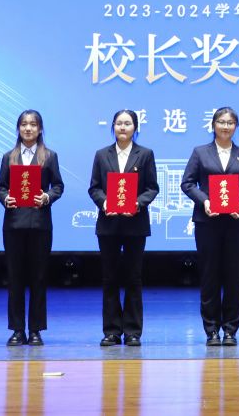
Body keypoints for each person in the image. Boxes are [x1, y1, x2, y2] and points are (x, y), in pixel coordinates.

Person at [180, 107, 239, 346]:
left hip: (237, 223)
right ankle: (212, 330)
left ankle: (231, 330)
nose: (226, 126)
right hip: (208, 222)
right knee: (209, 276)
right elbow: (187, 183)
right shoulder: (200, 152)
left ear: (236, 127)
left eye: (231, 122)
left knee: (234, 277)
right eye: (221, 122)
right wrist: (204, 201)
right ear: (213, 124)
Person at [88, 109, 159, 347]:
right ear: (113, 127)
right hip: (108, 224)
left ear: (135, 128)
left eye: (128, 123)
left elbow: (152, 188)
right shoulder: (101, 155)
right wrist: (104, 203)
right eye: (119, 123)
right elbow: (94, 187)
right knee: (109, 278)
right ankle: (111, 331)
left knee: (133, 278)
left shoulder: (145, 154)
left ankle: (132, 332)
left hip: (135, 224)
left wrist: (137, 204)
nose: (123, 127)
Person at [0, 110, 64, 347]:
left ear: (40, 129)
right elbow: (0, 187)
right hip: (13, 224)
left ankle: (35, 330)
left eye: (33, 124)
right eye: (24, 124)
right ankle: (17, 330)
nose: (28, 128)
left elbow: (58, 186)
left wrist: (47, 197)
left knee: (38, 278)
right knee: (15, 278)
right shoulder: (9, 156)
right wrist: (5, 198)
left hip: (40, 224)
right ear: (18, 128)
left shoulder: (49, 156)